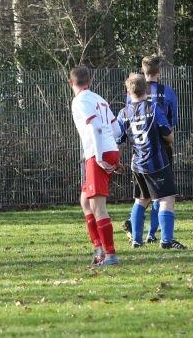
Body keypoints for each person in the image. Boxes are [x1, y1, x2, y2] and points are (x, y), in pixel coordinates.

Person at [117, 73, 186, 249]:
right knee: (166, 198)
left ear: (128, 90)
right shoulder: (153, 109)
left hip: (137, 163)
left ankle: (136, 240)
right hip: (156, 162)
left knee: (141, 199)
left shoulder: (123, 113)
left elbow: (118, 138)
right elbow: (168, 136)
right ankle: (166, 240)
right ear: (146, 89)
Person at [70, 65, 122, 266]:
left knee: (98, 206)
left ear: (71, 83)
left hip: (97, 153)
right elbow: (116, 130)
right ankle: (98, 248)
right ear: (89, 82)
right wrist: (111, 152)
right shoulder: (99, 99)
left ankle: (110, 255)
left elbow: (95, 127)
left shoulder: (79, 101)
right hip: (108, 150)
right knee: (85, 201)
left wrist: (99, 156)